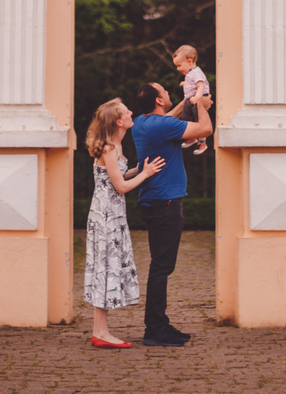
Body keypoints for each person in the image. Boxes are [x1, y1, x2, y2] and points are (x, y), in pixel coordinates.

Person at [130, 81, 213, 347]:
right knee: (162, 267)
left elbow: (168, 117)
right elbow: (206, 129)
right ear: (157, 100)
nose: (167, 93)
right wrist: (200, 104)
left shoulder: (143, 123)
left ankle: (159, 325)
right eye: (164, 91)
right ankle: (155, 329)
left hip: (154, 202)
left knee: (160, 265)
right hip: (166, 205)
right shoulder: (163, 126)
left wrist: (186, 103)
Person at [84, 97, 166, 349]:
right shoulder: (109, 149)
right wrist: (145, 174)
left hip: (112, 216)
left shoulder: (115, 147)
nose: (131, 112)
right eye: (126, 111)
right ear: (119, 121)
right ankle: (101, 333)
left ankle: (100, 332)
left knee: (106, 270)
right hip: (106, 217)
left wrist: (139, 169)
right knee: (105, 271)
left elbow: (116, 177)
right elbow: (120, 187)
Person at [173, 44, 211, 155]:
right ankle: (191, 137)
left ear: (189, 62)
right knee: (186, 117)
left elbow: (200, 86)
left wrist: (198, 98)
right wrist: (186, 84)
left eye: (179, 65)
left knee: (199, 120)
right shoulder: (190, 73)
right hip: (190, 100)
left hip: (197, 99)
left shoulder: (197, 72)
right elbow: (193, 83)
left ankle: (202, 142)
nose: (178, 69)